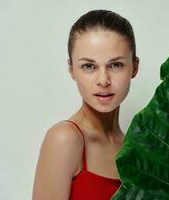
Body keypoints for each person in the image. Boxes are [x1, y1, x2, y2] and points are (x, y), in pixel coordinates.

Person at [32, 9, 139, 200]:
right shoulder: (65, 139)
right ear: (72, 69)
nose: (103, 80)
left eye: (116, 65)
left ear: (134, 67)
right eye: (89, 66)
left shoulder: (135, 149)